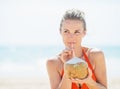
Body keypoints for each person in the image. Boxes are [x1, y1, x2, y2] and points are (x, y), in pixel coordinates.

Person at [46, 9, 107, 89]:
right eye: (66, 31)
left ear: (84, 33)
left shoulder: (95, 55)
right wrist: (68, 65)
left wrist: (88, 81)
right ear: (60, 32)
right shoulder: (53, 63)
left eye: (76, 32)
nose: (71, 37)